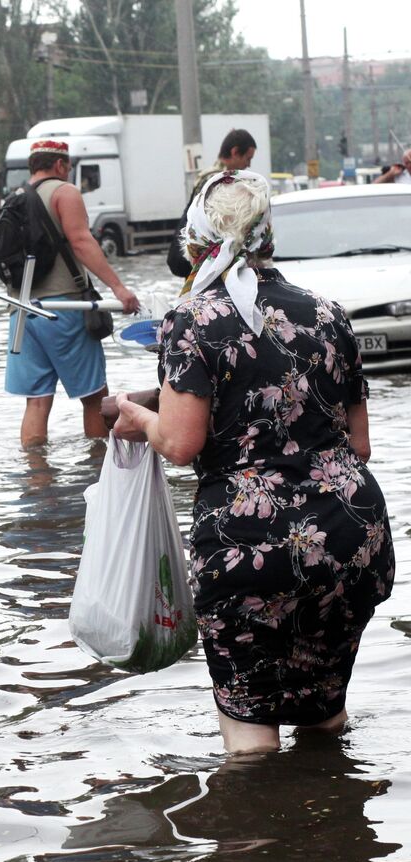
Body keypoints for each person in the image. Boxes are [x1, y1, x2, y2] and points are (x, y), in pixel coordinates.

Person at [113, 170, 395, 755]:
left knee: (251, 743)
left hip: (250, 545)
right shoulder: (328, 313)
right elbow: (358, 445)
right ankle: (339, 833)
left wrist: (138, 418)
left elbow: (182, 443)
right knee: (324, 719)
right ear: (268, 238)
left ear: (195, 243)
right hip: (349, 538)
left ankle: (258, 837)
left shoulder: (191, 319)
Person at [5, 138, 139, 448]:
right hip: (63, 310)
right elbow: (81, 242)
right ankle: (98, 473)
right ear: (60, 164)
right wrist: (118, 288)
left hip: (22, 312)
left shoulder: (14, 199)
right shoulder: (65, 192)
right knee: (94, 398)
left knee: (36, 402)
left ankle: (37, 478)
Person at [167, 128, 257, 279]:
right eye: (248, 158)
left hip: (198, 266)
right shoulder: (220, 183)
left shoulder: (206, 176)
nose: (248, 165)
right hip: (208, 268)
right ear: (235, 152)